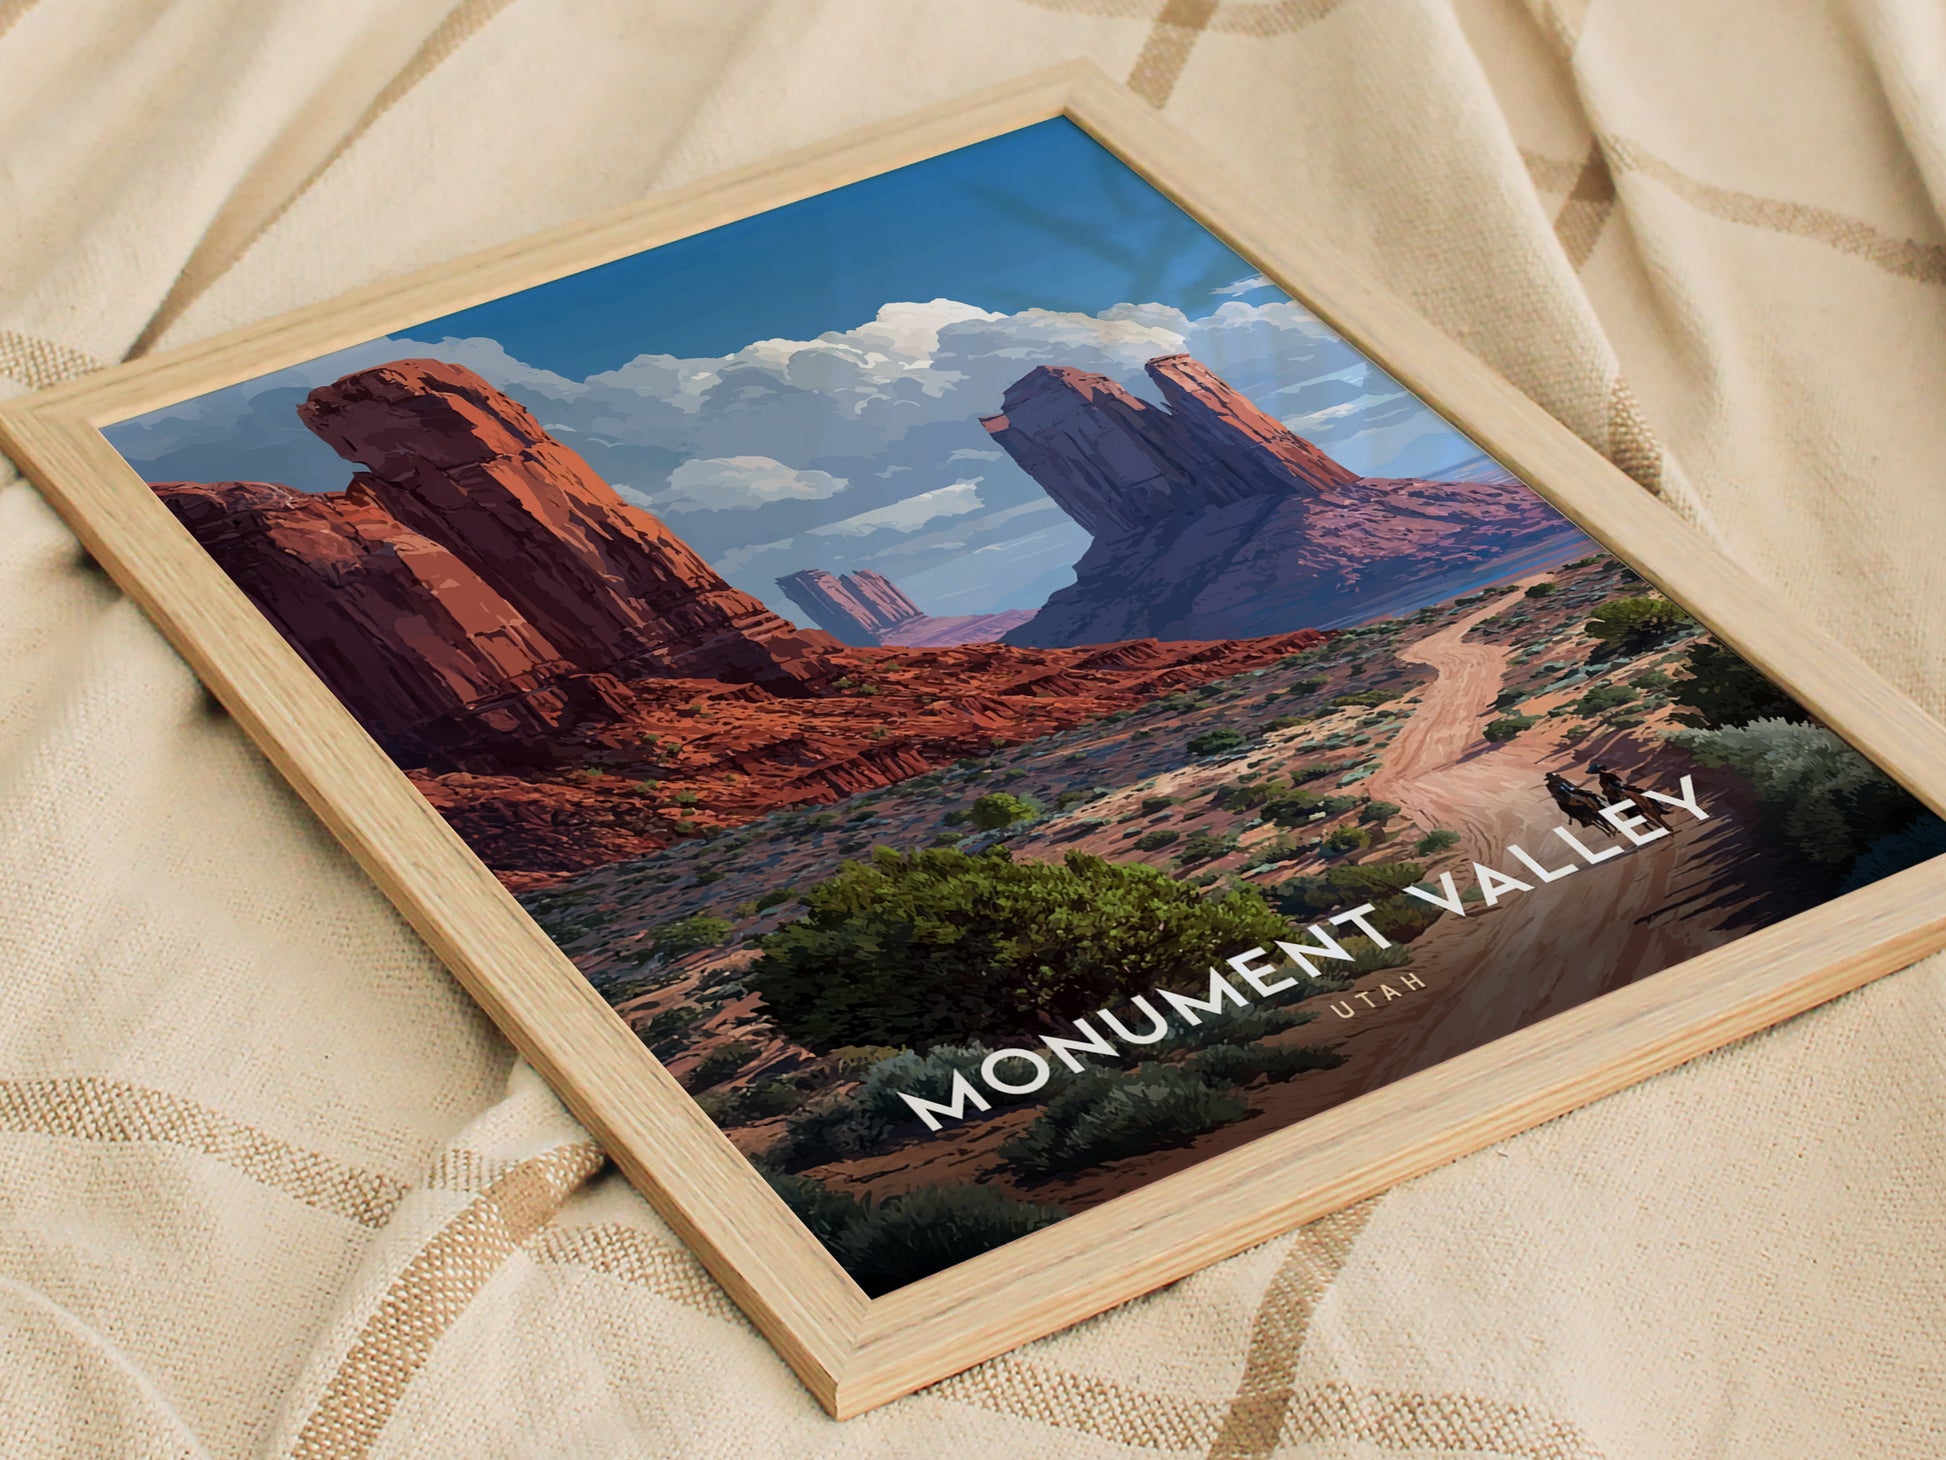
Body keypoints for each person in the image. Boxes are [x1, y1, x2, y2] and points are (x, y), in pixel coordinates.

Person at [1589, 760, 1672, 832]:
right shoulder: (1610, 775)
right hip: (1622, 789)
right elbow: (1620, 783)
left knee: (1620, 806)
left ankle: (1633, 815)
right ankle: (1659, 807)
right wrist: (1622, 786)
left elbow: (1611, 787)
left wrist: (1619, 788)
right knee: (1644, 793)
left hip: (1618, 792)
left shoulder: (1602, 781)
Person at [1544, 770, 1614, 834]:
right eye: (1553, 778)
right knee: (1568, 809)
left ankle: (1601, 808)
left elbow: (1571, 786)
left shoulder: (1562, 780)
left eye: (1555, 777)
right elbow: (1557, 795)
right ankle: (1582, 820)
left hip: (1574, 793)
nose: (1556, 778)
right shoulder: (1550, 786)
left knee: (1591, 795)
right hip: (1565, 799)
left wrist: (1575, 788)